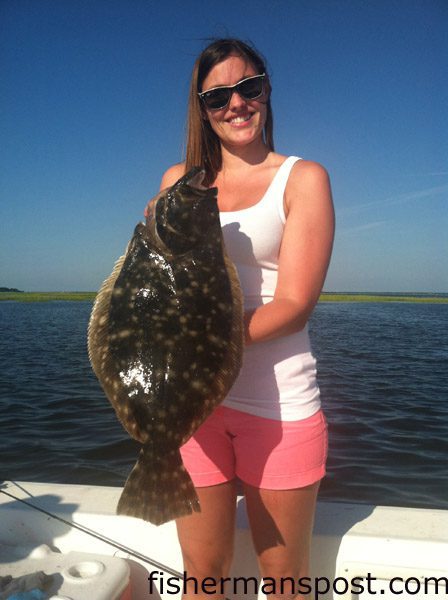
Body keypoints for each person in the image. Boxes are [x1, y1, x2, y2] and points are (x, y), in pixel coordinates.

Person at [152, 38, 334, 599]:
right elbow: (158, 291)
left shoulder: (303, 178)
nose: (236, 104)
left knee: (284, 580)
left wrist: (202, 346)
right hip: (192, 408)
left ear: (266, 91)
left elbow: (294, 305)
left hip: (277, 406)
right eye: (217, 97)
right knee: (200, 576)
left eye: (248, 87)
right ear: (201, 108)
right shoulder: (178, 183)